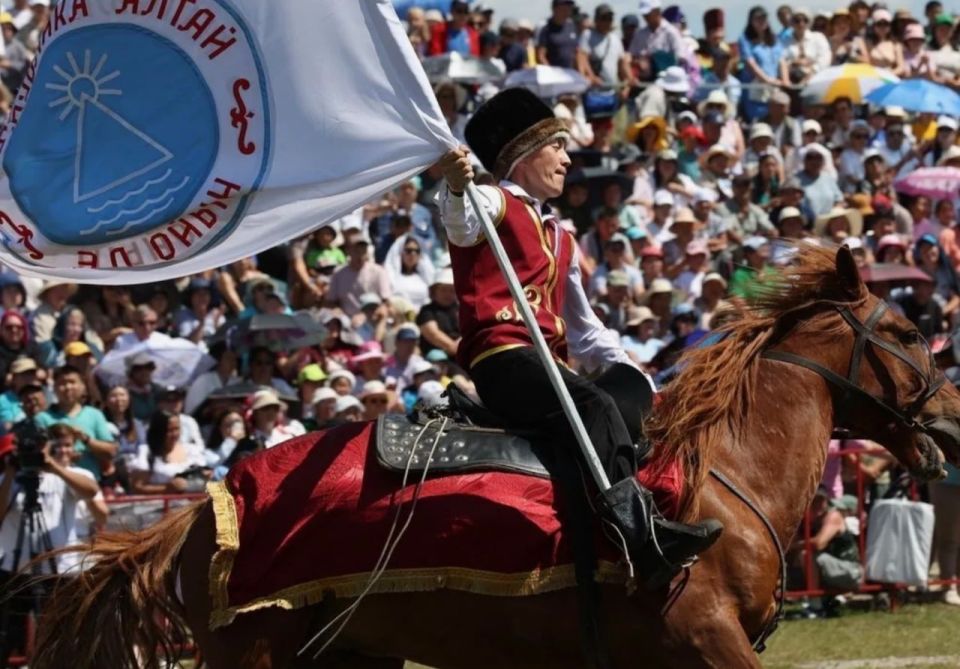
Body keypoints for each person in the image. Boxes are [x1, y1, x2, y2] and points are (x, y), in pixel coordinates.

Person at [435, 88, 722, 584]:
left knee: (630, 396)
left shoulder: (561, 235)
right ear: (525, 156)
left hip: (551, 365)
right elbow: (460, 226)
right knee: (593, 406)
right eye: (559, 147)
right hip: (505, 358)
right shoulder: (492, 201)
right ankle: (639, 537)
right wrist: (456, 187)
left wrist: (639, 376)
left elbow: (587, 330)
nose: (568, 159)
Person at [0, 422, 99, 661]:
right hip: (15, 569)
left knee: (59, 637)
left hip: (58, 571)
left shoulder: (66, 475)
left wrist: (53, 466)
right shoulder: (7, 479)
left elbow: (91, 491)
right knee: (6, 637)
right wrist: (11, 472)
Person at [35, 365, 117, 480]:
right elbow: (39, 454)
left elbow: (111, 451)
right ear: (54, 388)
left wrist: (86, 440)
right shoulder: (42, 418)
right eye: (62, 383)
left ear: (83, 387)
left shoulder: (94, 414)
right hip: (54, 481)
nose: (68, 387)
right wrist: (66, 455)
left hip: (90, 483)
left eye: (72, 382)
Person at [536, 0, 578, 68]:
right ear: (554, 9)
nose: (567, 11)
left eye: (569, 8)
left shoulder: (572, 26)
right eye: (563, 9)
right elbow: (541, 55)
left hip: (570, 73)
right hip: (553, 74)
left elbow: (576, 51)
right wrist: (551, 72)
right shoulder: (546, 30)